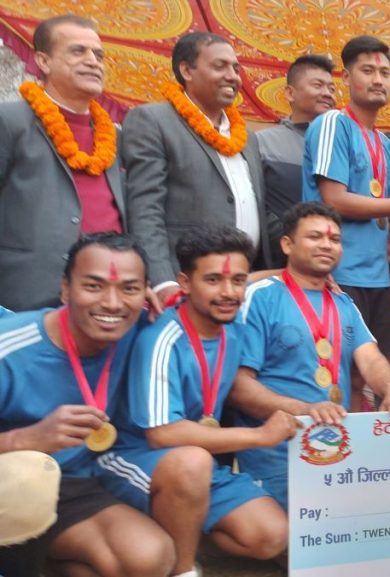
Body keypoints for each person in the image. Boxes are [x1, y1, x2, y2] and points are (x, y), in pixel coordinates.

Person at [96, 227, 289, 576]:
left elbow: (248, 279)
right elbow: (163, 434)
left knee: (270, 536)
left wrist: (292, 272)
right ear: (184, 283)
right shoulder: (162, 337)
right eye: (213, 280)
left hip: (193, 463)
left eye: (238, 281)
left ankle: (176, 535)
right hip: (131, 456)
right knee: (192, 462)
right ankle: (182, 569)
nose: (228, 292)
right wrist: (260, 436)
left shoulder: (233, 329)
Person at [0, 233, 174, 577]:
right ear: (65, 289)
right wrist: (24, 439)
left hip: (71, 484)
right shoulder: (11, 346)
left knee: (147, 557)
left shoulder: (142, 329)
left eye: (129, 288)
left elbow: (218, 293)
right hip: (10, 481)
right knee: (26, 477)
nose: (112, 303)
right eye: (94, 286)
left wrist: (174, 302)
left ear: (146, 292)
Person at [233, 202, 390, 508]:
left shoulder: (343, 303)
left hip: (336, 451)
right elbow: (238, 386)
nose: (326, 245)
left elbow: (370, 358)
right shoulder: (261, 296)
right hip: (279, 455)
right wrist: (306, 410)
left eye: (334, 239)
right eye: (314, 237)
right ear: (287, 245)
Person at [302, 35, 390, 365]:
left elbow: (388, 198)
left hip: (377, 277)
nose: (378, 80)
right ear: (346, 77)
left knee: (371, 372)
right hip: (336, 273)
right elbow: (335, 200)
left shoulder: (382, 141)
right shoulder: (333, 124)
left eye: (385, 73)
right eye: (367, 71)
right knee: (336, 374)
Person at [124, 32, 271, 304]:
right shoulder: (154, 120)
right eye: (220, 66)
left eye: (235, 68)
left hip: (244, 286)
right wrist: (164, 282)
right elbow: (145, 210)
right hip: (185, 286)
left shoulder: (247, 137)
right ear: (186, 71)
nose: (233, 76)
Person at [0, 14, 126, 311]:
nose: (93, 62)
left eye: (98, 55)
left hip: (108, 295)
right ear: (43, 62)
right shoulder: (10, 121)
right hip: (28, 297)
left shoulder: (114, 135)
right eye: (78, 51)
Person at [258, 54, 337, 268]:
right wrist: (292, 242)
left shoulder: (341, 146)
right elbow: (257, 204)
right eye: (318, 85)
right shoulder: (263, 144)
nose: (327, 93)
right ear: (290, 93)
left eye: (331, 88)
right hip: (278, 258)